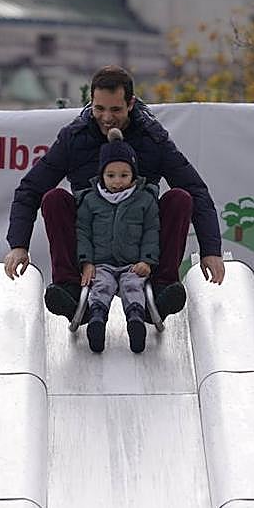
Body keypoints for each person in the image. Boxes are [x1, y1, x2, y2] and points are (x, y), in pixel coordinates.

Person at [3, 65, 225, 322]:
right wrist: (19, 245)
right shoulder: (75, 138)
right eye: (99, 109)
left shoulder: (151, 138)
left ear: (130, 104)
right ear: (91, 102)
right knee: (54, 199)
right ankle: (70, 288)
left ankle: (163, 287)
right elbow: (30, 189)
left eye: (115, 109)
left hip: (140, 242)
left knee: (180, 198)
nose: (106, 118)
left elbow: (195, 189)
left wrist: (211, 250)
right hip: (92, 240)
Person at [76, 128, 160, 354]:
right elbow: (82, 231)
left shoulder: (143, 200)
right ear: (102, 175)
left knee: (133, 285)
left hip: (132, 263)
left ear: (133, 175)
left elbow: (152, 231)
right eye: (110, 175)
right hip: (102, 262)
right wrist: (87, 261)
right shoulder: (91, 200)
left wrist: (147, 260)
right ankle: (97, 321)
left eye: (124, 175)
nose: (117, 181)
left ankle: (135, 321)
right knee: (101, 285)